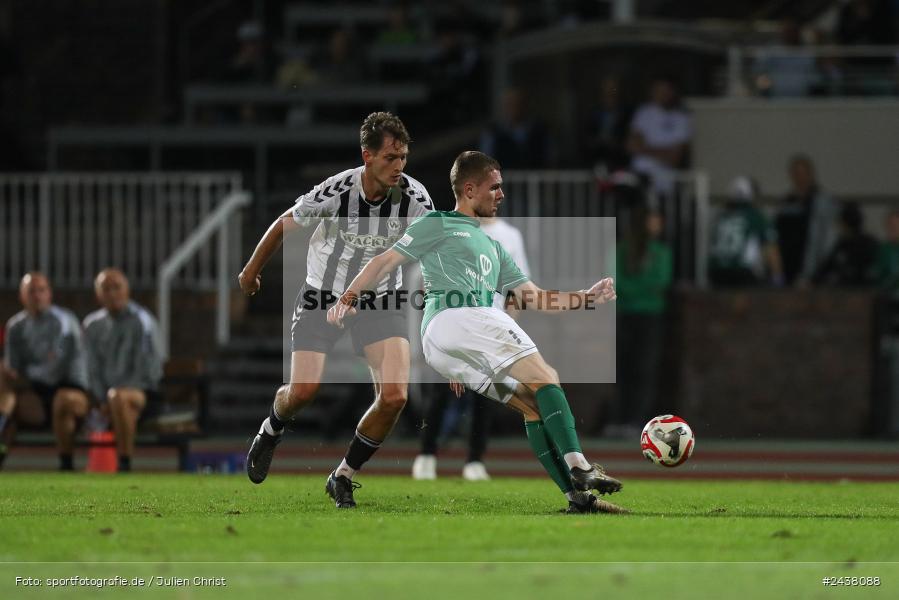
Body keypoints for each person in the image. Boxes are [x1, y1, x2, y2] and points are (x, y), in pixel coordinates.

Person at [329, 151, 626, 514]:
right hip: (459, 317)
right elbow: (384, 260)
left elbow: (531, 296)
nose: (501, 194)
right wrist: (348, 296)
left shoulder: (496, 247)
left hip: (452, 338)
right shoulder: (437, 222)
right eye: (494, 187)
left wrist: (585, 298)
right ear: (469, 189)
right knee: (547, 378)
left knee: (532, 407)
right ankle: (579, 466)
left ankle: (577, 499)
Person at [239, 112, 434, 509]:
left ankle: (343, 475)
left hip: (380, 299)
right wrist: (250, 272)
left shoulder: (415, 197)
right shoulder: (338, 190)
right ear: (367, 156)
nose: (399, 166)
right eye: (390, 158)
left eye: (403, 158)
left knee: (395, 396)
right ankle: (271, 428)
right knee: (304, 391)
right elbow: (283, 225)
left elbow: (435, 249)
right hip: (322, 294)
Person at [411, 215, 531, 481]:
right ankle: (426, 455)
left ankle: (475, 460)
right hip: (450, 322)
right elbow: (429, 281)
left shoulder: (509, 235)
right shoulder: (450, 229)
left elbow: (517, 290)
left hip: (489, 328)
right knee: (440, 392)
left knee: (485, 396)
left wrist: (507, 329)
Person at [0, 273, 90, 471]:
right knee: (5, 391)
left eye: (41, 290)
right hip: (35, 397)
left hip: (71, 390)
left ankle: (66, 465)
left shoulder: (64, 321)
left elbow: (55, 369)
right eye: (31, 291)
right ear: (21, 296)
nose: (37, 296)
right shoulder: (15, 326)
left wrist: (23, 376)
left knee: (62, 400)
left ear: (49, 294)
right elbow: (11, 369)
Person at [83, 268, 163, 473]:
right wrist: (102, 400)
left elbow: (149, 369)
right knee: (109, 398)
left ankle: (124, 463)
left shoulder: (142, 321)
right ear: (98, 294)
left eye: (116, 287)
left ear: (127, 290)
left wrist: (113, 398)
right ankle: (66, 464)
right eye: (106, 288)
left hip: (143, 394)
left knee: (118, 398)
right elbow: (91, 368)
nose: (112, 293)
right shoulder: (92, 325)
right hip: (105, 399)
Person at [611, 205, 672, 437]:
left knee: (644, 369)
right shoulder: (622, 250)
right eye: (654, 220)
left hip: (650, 317)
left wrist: (634, 290)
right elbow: (616, 281)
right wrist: (639, 290)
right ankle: (619, 419)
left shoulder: (661, 252)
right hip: (625, 314)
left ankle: (638, 420)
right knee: (622, 369)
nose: (658, 225)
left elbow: (661, 282)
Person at [708, 176, 784, 287]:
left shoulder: (721, 217)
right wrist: (778, 277)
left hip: (715, 274)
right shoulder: (755, 217)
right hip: (742, 274)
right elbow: (771, 249)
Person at [775, 154, 836, 286]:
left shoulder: (823, 201)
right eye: (796, 173)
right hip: (787, 270)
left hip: (813, 272)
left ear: (811, 174)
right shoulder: (785, 201)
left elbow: (827, 238)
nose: (799, 177)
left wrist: (815, 271)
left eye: (803, 173)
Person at [626, 75, 691, 199]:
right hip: (640, 178)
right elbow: (631, 146)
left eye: (666, 91)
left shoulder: (681, 118)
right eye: (658, 91)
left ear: (673, 92)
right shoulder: (643, 113)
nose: (662, 95)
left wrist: (644, 148)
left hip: (665, 182)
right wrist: (664, 151)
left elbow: (674, 158)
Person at [813, 202, 879, 287]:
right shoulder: (844, 242)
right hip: (855, 287)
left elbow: (829, 265)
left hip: (857, 289)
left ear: (844, 224)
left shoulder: (848, 244)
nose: (838, 226)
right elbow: (827, 265)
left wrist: (814, 280)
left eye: (839, 222)